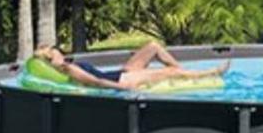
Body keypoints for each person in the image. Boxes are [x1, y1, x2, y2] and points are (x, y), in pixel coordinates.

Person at [33, 41, 230, 90]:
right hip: (123, 79)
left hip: (120, 72)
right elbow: (96, 82)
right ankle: (211, 73)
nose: (58, 51)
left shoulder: (66, 65)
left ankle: (183, 71)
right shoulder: (68, 68)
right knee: (170, 72)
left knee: (153, 46)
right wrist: (123, 88)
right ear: (52, 57)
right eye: (54, 50)